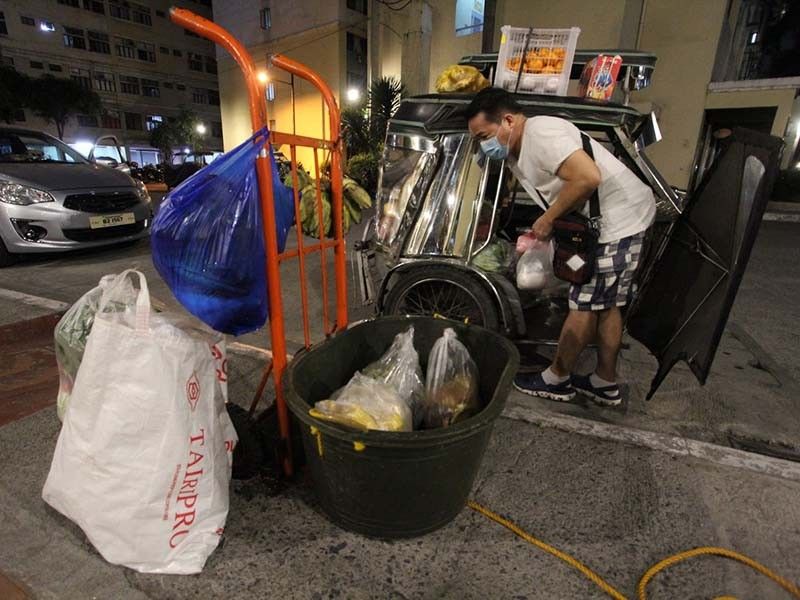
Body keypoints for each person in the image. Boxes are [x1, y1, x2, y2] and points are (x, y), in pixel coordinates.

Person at [466, 88, 655, 406]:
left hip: (618, 222)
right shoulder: (520, 148)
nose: (484, 144)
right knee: (606, 304)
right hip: (621, 219)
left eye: (484, 135)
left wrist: (548, 219)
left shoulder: (541, 134)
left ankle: (557, 378)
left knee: (583, 304)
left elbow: (587, 177)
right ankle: (604, 382)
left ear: (508, 120)